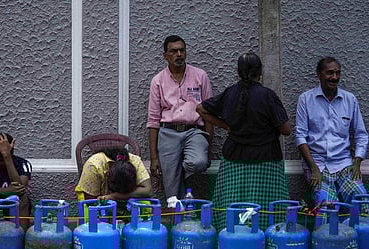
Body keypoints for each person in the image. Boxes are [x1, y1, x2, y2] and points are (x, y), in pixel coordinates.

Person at [196, 52, 291, 231]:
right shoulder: (268, 96)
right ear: (260, 72)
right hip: (266, 160)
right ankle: (268, 238)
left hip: (234, 159)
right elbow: (286, 130)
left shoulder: (230, 93)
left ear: (238, 72)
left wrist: (225, 125)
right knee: (266, 206)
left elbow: (200, 108)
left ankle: (231, 237)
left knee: (233, 202)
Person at [295, 56, 368, 224]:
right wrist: (313, 168)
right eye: (330, 73)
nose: (334, 77)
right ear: (319, 75)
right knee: (327, 207)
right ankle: (327, 248)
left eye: (337, 73)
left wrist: (357, 163)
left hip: (344, 164)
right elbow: (300, 136)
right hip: (318, 165)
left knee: (362, 203)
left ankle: (356, 246)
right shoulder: (306, 99)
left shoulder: (350, 100)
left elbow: (361, 134)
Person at [146, 35, 213, 203]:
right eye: (174, 51)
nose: (179, 54)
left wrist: (209, 147)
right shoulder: (158, 81)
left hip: (194, 132)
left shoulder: (200, 76)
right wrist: (154, 158)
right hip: (168, 132)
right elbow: (153, 120)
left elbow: (209, 114)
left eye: (182, 50)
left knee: (198, 162)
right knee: (172, 193)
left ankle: (178, 172)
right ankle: (179, 223)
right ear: (165, 56)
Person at [75, 147, 151, 203]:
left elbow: (147, 191)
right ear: (108, 175)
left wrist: (115, 196)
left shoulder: (135, 161)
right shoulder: (94, 166)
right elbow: (90, 203)